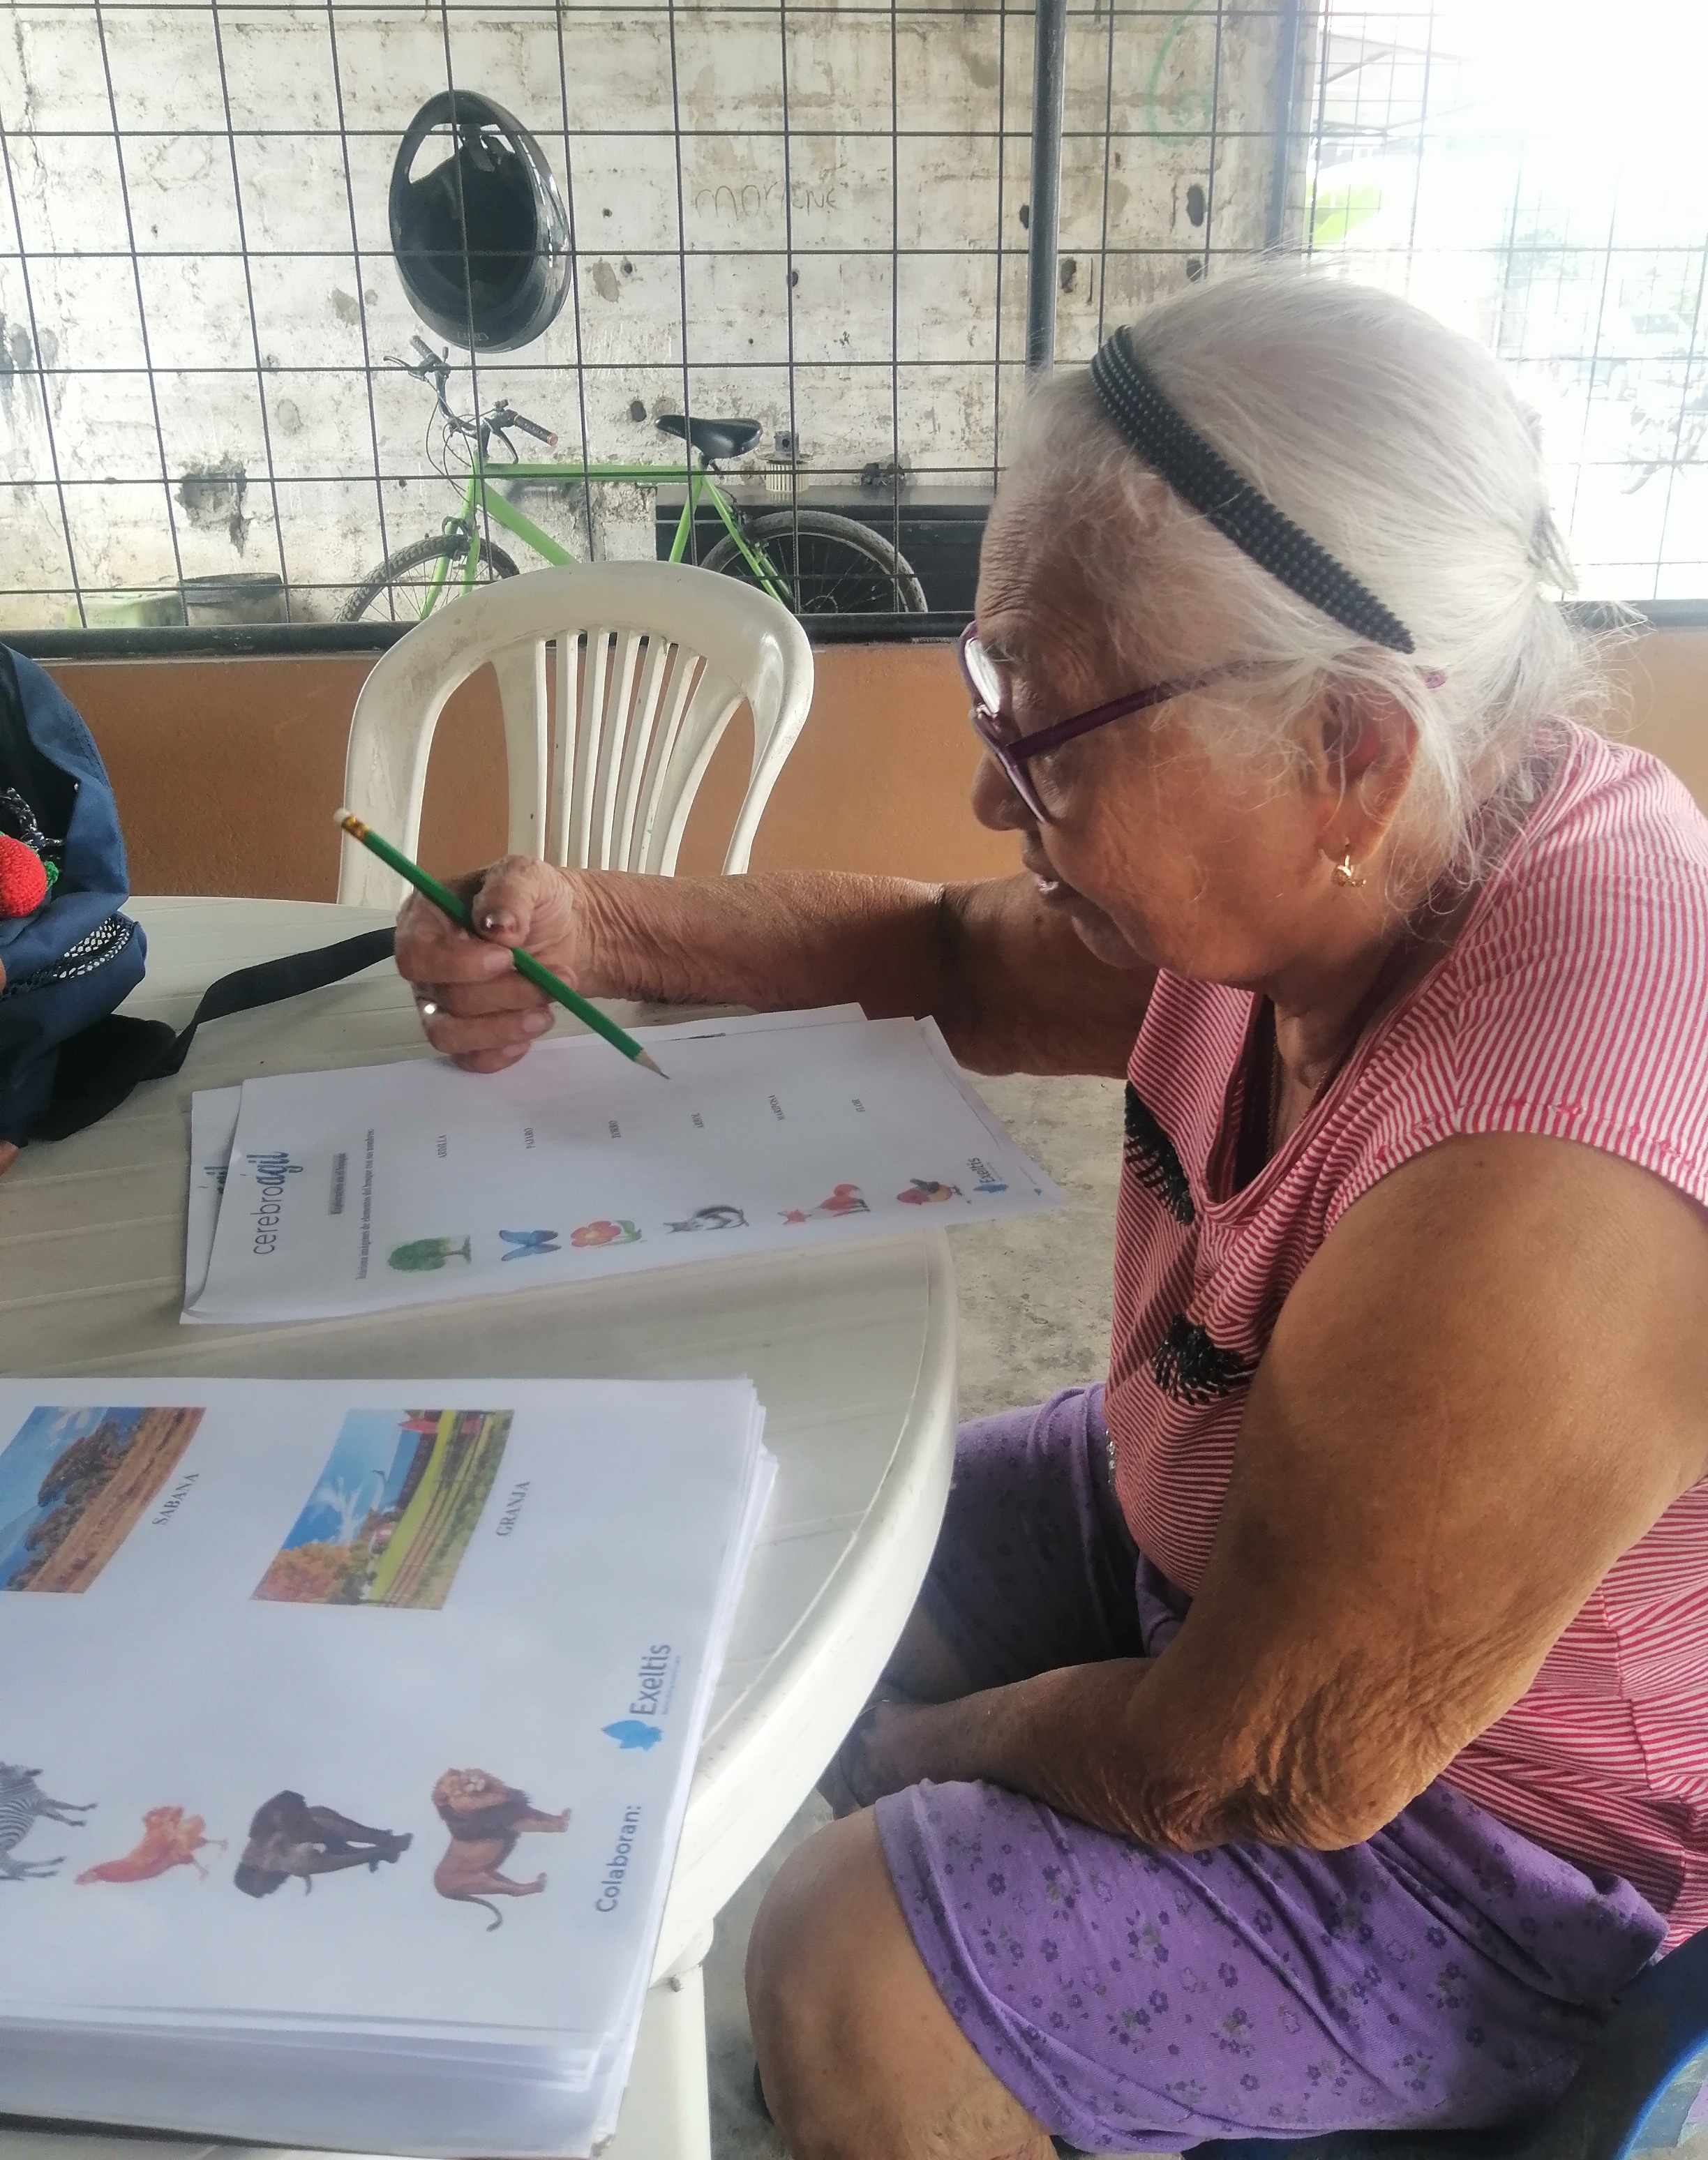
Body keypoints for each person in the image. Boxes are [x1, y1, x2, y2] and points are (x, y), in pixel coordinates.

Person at [394, 271, 1708, 2159]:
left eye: (1048, 728)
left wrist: (919, 1752)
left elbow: (1251, 1759)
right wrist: (588, 923)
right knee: (787, 1554)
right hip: (1213, 1539)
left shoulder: (1550, 1182)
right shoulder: (1351, 855)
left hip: (1490, 1852)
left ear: (1346, 750)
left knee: (846, 1957)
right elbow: (955, 957)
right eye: (993, 685)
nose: (985, 785)